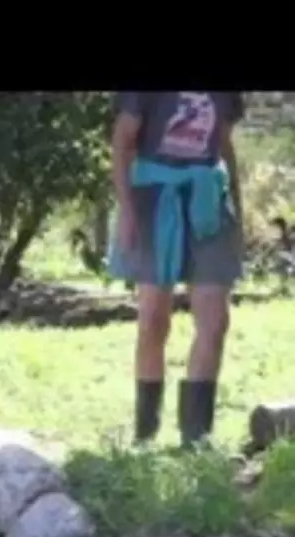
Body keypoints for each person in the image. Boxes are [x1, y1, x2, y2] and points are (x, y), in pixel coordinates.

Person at [108, 92, 246, 448]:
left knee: (214, 324)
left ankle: (195, 438)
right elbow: (122, 143)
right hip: (154, 200)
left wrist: (238, 211)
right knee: (154, 319)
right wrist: (126, 212)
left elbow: (225, 146)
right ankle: (145, 434)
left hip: (208, 201)